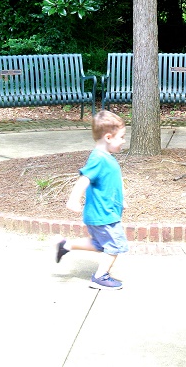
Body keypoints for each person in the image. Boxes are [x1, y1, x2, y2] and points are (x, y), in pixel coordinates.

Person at [57, 110, 129, 290]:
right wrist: (73, 200)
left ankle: (66, 245)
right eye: (121, 137)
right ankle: (100, 277)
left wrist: (122, 199)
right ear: (108, 137)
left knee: (100, 244)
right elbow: (84, 179)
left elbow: (115, 181)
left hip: (104, 213)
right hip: (102, 214)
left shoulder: (106, 157)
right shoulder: (98, 159)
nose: (124, 141)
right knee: (115, 245)